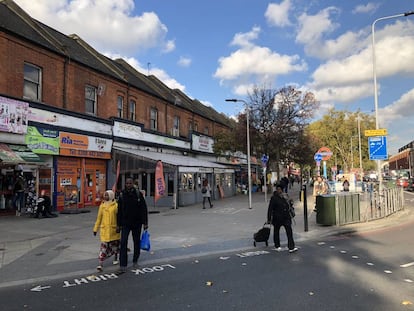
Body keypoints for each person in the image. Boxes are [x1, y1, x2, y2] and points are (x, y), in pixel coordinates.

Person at [117, 178, 148, 273]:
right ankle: (123, 264)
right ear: (125, 184)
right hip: (125, 223)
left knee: (136, 242)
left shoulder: (138, 194)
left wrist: (145, 223)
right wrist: (118, 224)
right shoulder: (122, 195)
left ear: (133, 184)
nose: (129, 185)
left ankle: (135, 260)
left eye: (130, 183)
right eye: (127, 183)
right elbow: (119, 211)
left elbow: (143, 209)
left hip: (136, 223)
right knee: (123, 242)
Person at [93, 190, 120, 272]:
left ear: (111, 196)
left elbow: (119, 217)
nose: (105, 197)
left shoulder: (116, 206)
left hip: (114, 230)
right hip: (104, 231)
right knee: (103, 248)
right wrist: (95, 229)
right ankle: (100, 264)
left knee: (115, 247)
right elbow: (99, 218)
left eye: (107, 195)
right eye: (104, 195)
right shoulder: (102, 206)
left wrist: (119, 226)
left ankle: (116, 257)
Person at [266, 185, 298, 253]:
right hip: (277, 218)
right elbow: (270, 209)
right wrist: (269, 219)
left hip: (286, 217)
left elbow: (289, 205)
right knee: (276, 232)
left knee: (289, 231)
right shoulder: (274, 198)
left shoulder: (285, 196)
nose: (279, 191)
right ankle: (277, 245)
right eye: (278, 189)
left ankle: (291, 246)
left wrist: (290, 202)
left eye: (280, 189)